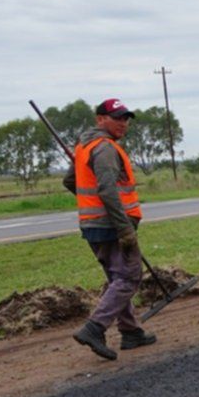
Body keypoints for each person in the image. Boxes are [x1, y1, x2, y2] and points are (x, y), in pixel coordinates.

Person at [62, 98, 156, 361]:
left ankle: (131, 332)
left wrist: (89, 202)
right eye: (117, 117)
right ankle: (94, 328)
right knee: (129, 277)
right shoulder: (104, 148)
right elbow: (106, 189)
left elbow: (70, 180)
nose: (123, 123)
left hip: (94, 225)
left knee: (118, 279)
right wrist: (124, 228)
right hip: (112, 226)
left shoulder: (85, 146)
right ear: (100, 119)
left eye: (126, 118)